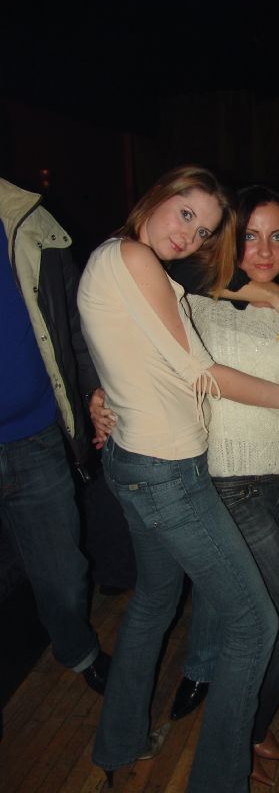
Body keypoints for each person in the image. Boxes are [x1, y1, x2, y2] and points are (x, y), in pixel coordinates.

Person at [77, 165, 279, 793]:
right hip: (167, 474)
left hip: (134, 459)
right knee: (255, 623)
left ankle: (120, 741)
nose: (190, 235)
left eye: (204, 230)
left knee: (155, 601)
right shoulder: (134, 257)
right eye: (186, 214)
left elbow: (143, 345)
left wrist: (103, 396)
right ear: (158, 196)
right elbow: (198, 371)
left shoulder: (117, 259)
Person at [170, 185, 279, 786]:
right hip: (230, 484)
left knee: (262, 618)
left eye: (278, 237)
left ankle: (246, 727)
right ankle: (239, 735)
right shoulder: (195, 300)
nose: (265, 250)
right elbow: (167, 265)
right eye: (250, 235)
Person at [0, 177, 110, 695]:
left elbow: (71, 325)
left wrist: (91, 392)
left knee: (64, 575)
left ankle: (78, 651)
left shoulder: (31, 219)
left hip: (36, 439)